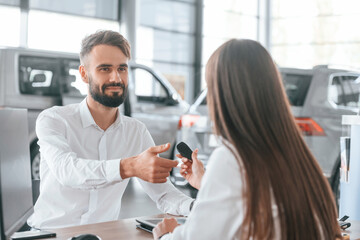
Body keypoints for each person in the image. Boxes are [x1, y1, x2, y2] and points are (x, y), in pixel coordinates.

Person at [153, 39, 342, 239]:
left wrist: (164, 234)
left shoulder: (230, 158)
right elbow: (256, 206)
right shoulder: (299, 158)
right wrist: (209, 182)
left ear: (223, 96)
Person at [27, 30, 194, 229]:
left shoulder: (136, 131)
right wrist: (128, 167)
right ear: (84, 74)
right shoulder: (54, 119)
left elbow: (165, 194)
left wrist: (199, 206)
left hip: (103, 235)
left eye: (122, 69)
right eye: (105, 69)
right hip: (51, 234)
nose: (116, 78)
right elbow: (67, 171)